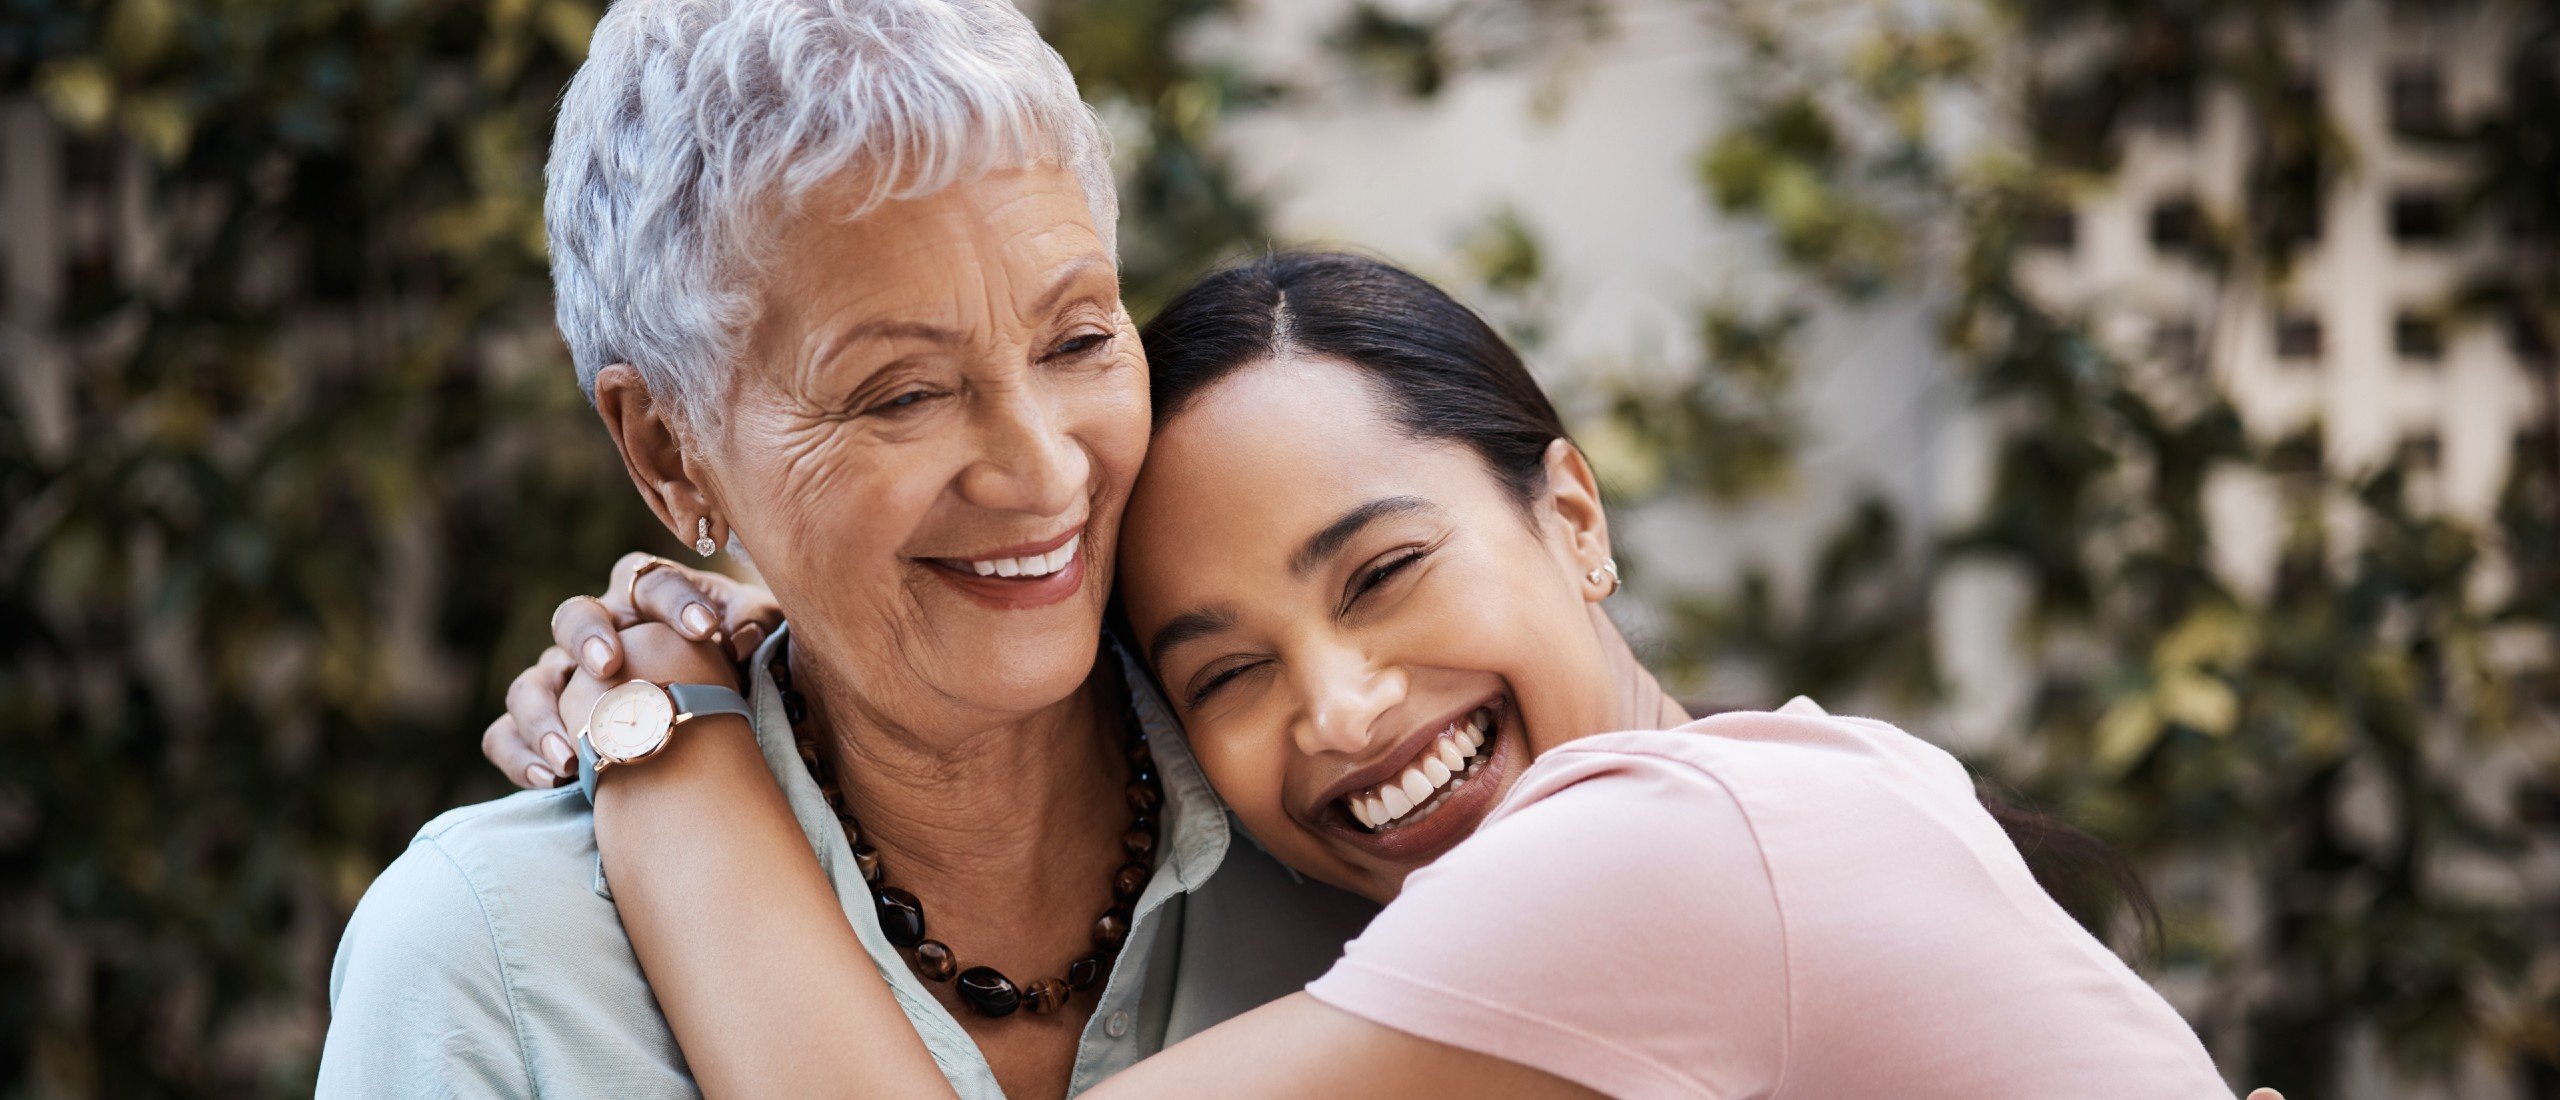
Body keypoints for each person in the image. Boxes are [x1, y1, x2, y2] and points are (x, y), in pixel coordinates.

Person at [499, 253, 2246, 1097]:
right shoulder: (1823, 778)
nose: (1340, 708)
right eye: (1228, 671)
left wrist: (672, 749)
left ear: (1571, 512)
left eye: (1385, 572)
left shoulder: (1668, 858)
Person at [314, 4, 1376, 1097]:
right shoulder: (490, 963)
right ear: (668, 452)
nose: (1046, 472)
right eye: (902, 393)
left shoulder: (1361, 813)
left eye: (1078, 339)